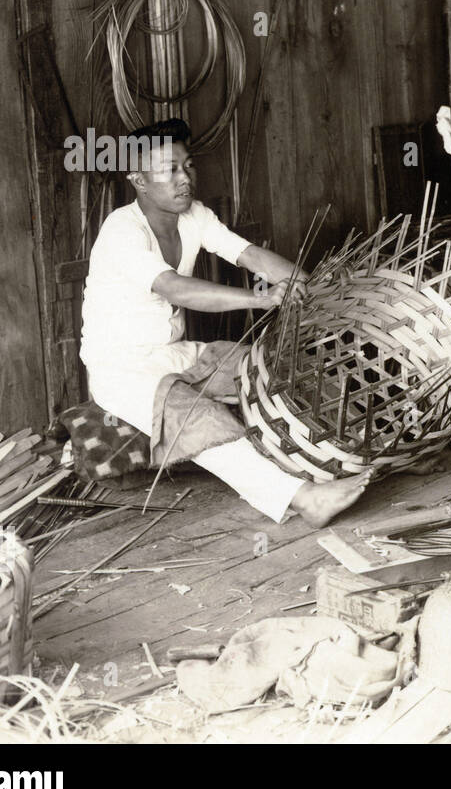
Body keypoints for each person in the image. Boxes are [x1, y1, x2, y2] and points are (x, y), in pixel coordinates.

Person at [80, 118, 372, 527]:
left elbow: (249, 254)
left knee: (273, 367)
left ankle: (368, 452)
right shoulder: (122, 230)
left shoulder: (195, 216)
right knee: (200, 419)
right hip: (121, 371)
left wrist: (303, 285)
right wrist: (263, 298)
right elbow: (176, 289)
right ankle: (304, 499)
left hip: (174, 355)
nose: (185, 179)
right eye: (170, 170)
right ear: (139, 179)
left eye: (188, 166)